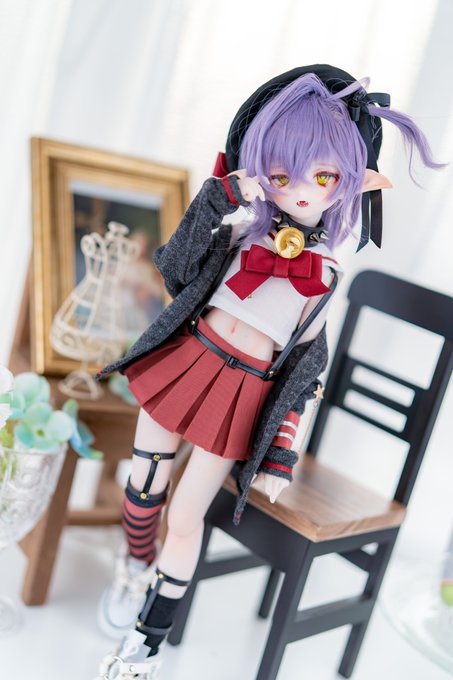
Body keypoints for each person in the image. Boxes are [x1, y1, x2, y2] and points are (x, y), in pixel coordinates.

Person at [93, 64, 442, 679]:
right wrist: (221, 196)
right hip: (188, 360)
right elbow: (174, 267)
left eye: (324, 176)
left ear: (352, 181)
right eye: (283, 175)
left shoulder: (325, 276)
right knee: (143, 485)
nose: (303, 191)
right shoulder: (235, 233)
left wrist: (279, 455)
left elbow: (304, 373)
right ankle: (134, 562)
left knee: (187, 516)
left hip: (241, 394)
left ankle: (147, 640)